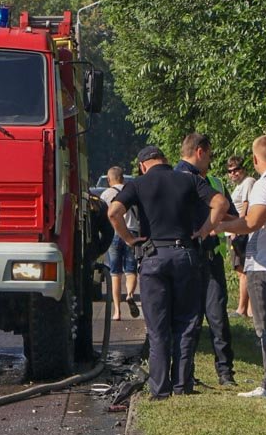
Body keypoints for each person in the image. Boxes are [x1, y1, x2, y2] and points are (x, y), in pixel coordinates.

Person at [108, 146, 228, 399]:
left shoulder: (138, 184)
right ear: (165, 160)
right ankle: (182, 385)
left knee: (158, 327)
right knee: (186, 323)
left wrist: (130, 239)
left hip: (153, 258)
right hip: (185, 255)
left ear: (142, 165)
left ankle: (160, 389)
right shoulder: (189, 179)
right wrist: (205, 230)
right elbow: (221, 203)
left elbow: (113, 212)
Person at [221, 136, 266, 399]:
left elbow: (253, 221)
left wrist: (221, 227)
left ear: (256, 160)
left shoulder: (264, 185)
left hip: (264, 265)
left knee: (265, 326)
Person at [175, 133, 238, 386]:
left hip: (210, 257)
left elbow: (231, 215)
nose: (211, 161)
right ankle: (185, 374)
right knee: (188, 319)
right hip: (188, 256)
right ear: (199, 151)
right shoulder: (179, 180)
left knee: (217, 318)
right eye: (209, 155)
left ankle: (225, 373)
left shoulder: (213, 182)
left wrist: (215, 225)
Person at [100, 166, 139, 321]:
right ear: (123, 178)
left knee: (115, 273)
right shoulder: (133, 192)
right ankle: (129, 295)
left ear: (109, 180)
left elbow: (103, 217)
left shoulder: (106, 194)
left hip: (114, 234)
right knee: (131, 270)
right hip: (132, 233)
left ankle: (117, 311)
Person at [225, 155, 256, 317]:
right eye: (230, 171)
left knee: (242, 270)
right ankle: (249, 309)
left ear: (243, 169)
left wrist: (238, 230)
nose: (233, 173)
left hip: (240, 232)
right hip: (234, 232)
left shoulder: (248, 182)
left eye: (237, 169)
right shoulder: (239, 186)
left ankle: (242, 309)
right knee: (241, 270)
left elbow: (245, 206)